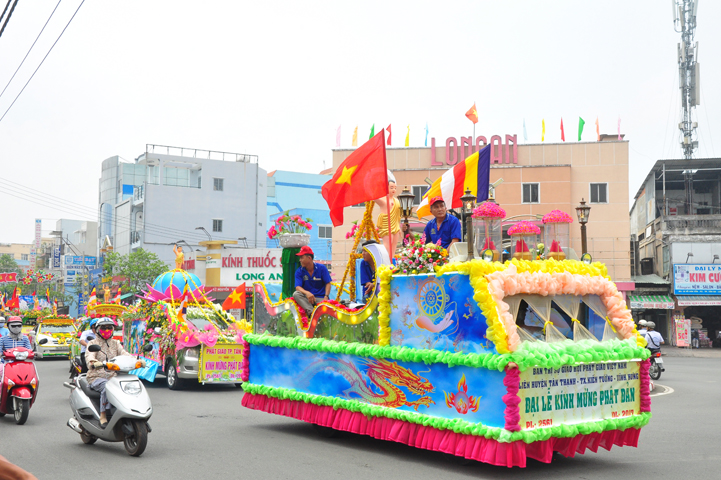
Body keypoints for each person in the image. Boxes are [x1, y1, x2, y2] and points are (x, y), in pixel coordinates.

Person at [85, 317, 143, 427]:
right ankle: (103, 415)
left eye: (109, 327)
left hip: (113, 376)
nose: (107, 330)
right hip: (96, 377)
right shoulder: (93, 343)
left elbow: (124, 353)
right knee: (107, 387)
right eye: (104, 328)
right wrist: (93, 362)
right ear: (97, 329)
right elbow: (90, 356)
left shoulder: (115, 343)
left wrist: (137, 360)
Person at [292, 246, 332, 316]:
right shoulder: (299, 271)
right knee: (296, 294)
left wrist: (326, 297)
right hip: (307, 299)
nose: (300, 260)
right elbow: (298, 287)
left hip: (320, 298)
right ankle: (312, 313)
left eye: (301, 257)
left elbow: (328, 283)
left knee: (330, 308)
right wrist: (307, 293)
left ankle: (316, 313)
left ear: (309, 258)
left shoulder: (322, 268)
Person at [374, 180, 402, 259]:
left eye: (395, 188)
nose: (394, 190)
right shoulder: (383, 200)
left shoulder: (397, 201)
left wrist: (399, 226)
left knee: (394, 245)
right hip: (386, 225)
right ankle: (385, 260)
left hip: (395, 225)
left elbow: (398, 215)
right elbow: (373, 197)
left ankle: (391, 260)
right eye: (391, 187)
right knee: (388, 244)